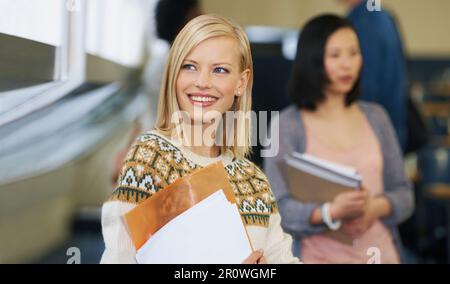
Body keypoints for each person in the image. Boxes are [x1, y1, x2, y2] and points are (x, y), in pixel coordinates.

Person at [101, 14, 300, 264]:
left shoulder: (254, 181)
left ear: (241, 82)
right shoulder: (150, 159)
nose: (202, 82)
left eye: (219, 70)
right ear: (174, 74)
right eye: (189, 66)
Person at [264, 14, 414, 264]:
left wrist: (373, 208)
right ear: (312, 61)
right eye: (335, 56)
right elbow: (278, 209)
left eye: (353, 53)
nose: (347, 64)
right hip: (317, 257)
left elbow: (404, 193)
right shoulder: (287, 125)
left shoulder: (376, 116)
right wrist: (329, 212)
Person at [339, 0, 408, 152]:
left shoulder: (365, 21)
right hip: (389, 130)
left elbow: (365, 87)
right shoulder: (382, 16)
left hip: (371, 136)